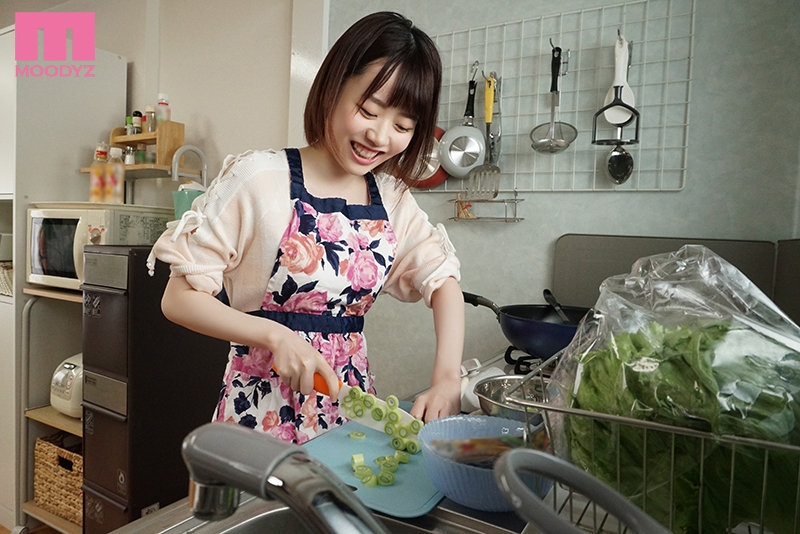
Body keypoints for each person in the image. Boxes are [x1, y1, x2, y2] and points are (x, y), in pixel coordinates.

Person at [148, 11, 464, 444]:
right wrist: (273, 335)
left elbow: (443, 281)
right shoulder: (260, 179)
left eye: (402, 126)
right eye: (368, 110)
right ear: (333, 88)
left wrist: (447, 378)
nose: (379, 136)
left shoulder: (391, 199)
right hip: (257, 415)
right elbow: (178, 299)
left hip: (350, 416)